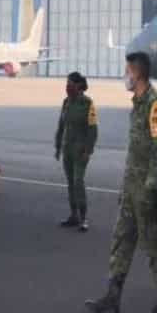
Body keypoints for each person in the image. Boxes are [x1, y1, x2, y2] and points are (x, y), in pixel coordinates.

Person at [85, 52, 157, 313]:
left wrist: (150, 188)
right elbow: (135, 153)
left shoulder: (155, 103)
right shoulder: (137, 103)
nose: (125, 76)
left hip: (146, 191)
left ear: (137, 74)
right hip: (132, 188)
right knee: (121, 241)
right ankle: (112, 300)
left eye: (127, 71)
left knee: (153, 245)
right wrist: (125, 188)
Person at [55, 71, 98, 232]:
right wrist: (58, 146)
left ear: (78, 85)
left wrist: (89, 149)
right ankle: (73, 216)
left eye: (70, 84)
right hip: (68, 149)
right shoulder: (66, 102)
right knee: (70, 183)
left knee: (78, 181)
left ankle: (84, 218)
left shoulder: (88, 104)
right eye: (66, 84)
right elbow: (61, 126)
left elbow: (93, 129)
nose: (67, 87)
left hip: (81, 150)